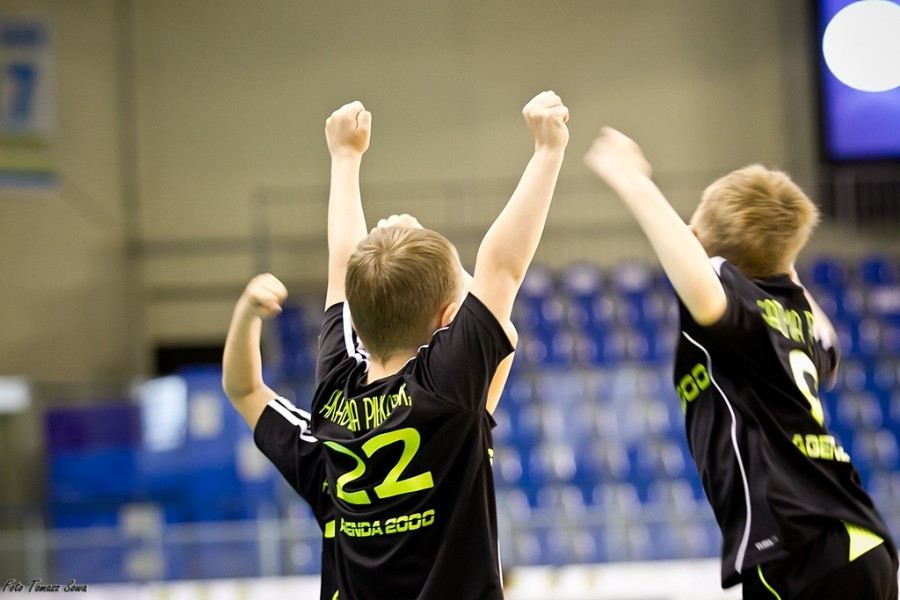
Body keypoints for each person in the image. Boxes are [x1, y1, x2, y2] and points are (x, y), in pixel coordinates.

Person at [224, 90, 567, 599]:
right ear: (450, 319)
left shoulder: (331, 410)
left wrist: (247, 313)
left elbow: (246, 388)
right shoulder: (447, 391)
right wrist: (549, 150)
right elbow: (501, 269)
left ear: (356, 327)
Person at [584, 128, 898, 600]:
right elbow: (828, 347)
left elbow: (705, 289)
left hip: (799, 551)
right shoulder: (799, 317)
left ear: (694, 241)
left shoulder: (734, 307)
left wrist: (634, 181)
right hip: (860, 542)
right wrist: (784, 270)